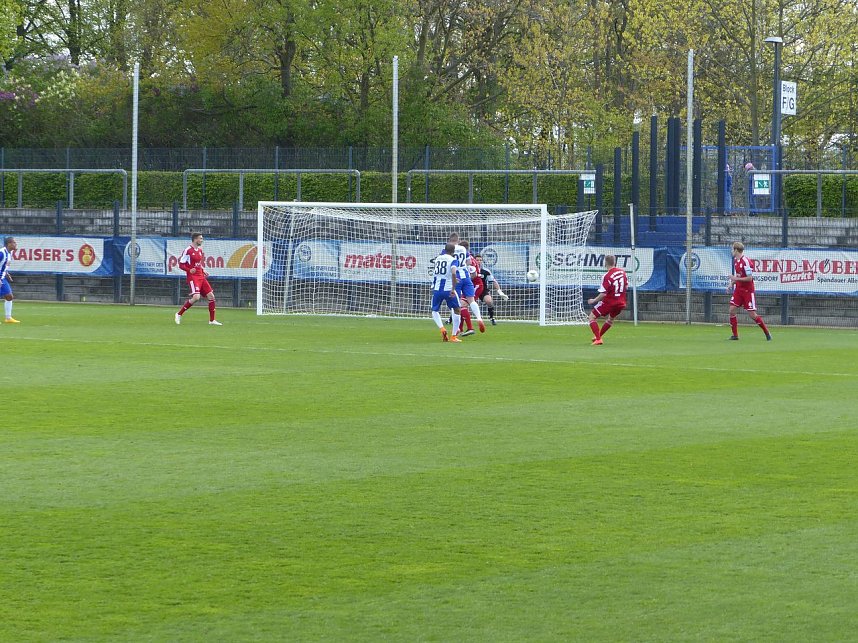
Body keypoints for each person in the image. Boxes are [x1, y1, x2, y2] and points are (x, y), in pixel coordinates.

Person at [174, 232, 222, 325]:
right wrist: (189, 269)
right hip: (193, 277)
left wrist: (203, 270)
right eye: (200, 238)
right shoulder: (188, 250)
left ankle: (212, 320)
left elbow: (198, 264)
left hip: (201, 276)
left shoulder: (200, 250)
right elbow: (181, 264)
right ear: (195, 239)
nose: (202, 240)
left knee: (211, 296)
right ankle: (179, 314)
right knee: (196, 297)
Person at [727, 241, 771, 341]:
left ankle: (767, 332)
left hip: (747, 291)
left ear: (736, 250)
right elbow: (738, 276)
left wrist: (735, 278)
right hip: (738, 290)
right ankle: (735, 335)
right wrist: (731, 283)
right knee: (732, 309)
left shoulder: (746, 262)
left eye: (732, 249)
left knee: (752, 314)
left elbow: (749, 278)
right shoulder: (736, 261)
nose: (731, 251)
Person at [587, 254, 628, 345]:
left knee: (591, 317)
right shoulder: (623, 272)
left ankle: (598, 339)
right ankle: (598, 337)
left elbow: (603, 293)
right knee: (610, 320)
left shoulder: (607, 276)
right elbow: (626, 286)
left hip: (610, 302)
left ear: (605, 263)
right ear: (615, 262)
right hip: (621, 302)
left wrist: (594, 300)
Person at [451, 239, 486, 335]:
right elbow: (470, 265)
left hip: (474, 283)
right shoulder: (468, 256)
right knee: (467, 303)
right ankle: (464, 326)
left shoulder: (453, 252)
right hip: (468, 279)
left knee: (458, 304)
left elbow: (474, 273)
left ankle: (466, 328)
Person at [430, 242, 462, 342]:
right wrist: (453, 287)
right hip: (448, 289)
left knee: (434, 310)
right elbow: (453, 272)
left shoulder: (438, 258)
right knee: (457, 309)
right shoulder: (453, 260)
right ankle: (453, 336)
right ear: (453, 252)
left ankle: (442, 328)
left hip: (437, 289)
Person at [472, 253, 509, 326]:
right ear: (474, 261)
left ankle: (492, 318)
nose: (479, 262)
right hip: (472, 289)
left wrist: (500, 292)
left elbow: (493, 281)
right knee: (463, 304)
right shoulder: (470, 269)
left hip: (483, 289)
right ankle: (451, 318)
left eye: (480, 260)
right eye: (477, 260)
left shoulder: (486, 271)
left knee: (489, 301)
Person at [0, 236, 20, 323]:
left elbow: (3, 265)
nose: (16, 244)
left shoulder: (10, 253)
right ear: (9, 244)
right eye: (14, 243)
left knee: (9, 296)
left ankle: (8, 318)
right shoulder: (2, 253)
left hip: (3, 277)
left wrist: (7, 273)